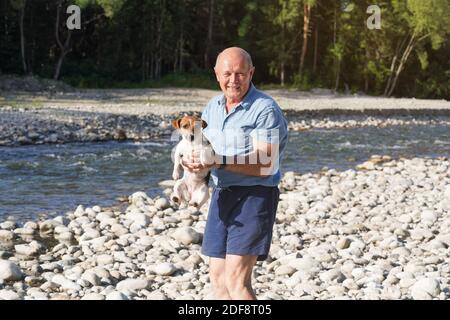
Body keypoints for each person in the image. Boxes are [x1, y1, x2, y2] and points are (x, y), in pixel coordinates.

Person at [181, 47, 288, 300]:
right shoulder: (212, 108)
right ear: (217, 74)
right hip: (221, 195)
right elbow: (204, 152)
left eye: (240, 73)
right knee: (218, 280)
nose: (233, 80)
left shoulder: (265, 109)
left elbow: (266, 164)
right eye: (227, 73)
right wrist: (196, 167)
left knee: (237, 281)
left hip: (255, 195)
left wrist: (219, 161)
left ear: (251, 73)